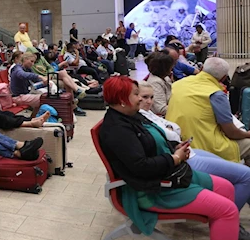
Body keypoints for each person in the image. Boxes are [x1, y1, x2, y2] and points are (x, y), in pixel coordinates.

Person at [100, 76, 240, 240]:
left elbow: (151, 144)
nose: (140, 99)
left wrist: (174, 148)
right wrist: (174, 158)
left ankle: (224, 228)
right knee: (227, 210)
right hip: (153, 190)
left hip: (168, 176)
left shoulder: (132, 116)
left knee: (227, 188)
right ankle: (225, 222)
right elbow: (141, 167)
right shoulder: (118, 129)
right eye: (136, 94)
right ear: (122, 100)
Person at [139, 81, 250, 232]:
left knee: (236, 173)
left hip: (186, 152)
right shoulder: (138, 120)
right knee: (246, 175)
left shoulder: (175, 89)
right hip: (182, 161)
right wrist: (176, 153)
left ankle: (229, 218)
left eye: (151, 97)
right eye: (144, 97)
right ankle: (229, 221)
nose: (149, 101)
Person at [167, 57, 250, 165]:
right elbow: (231, 132)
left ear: (201, 68)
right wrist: (248, 134)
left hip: (176, 142)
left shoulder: (178, 84)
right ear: (224, 77)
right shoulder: (216, 93)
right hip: (203, 146)